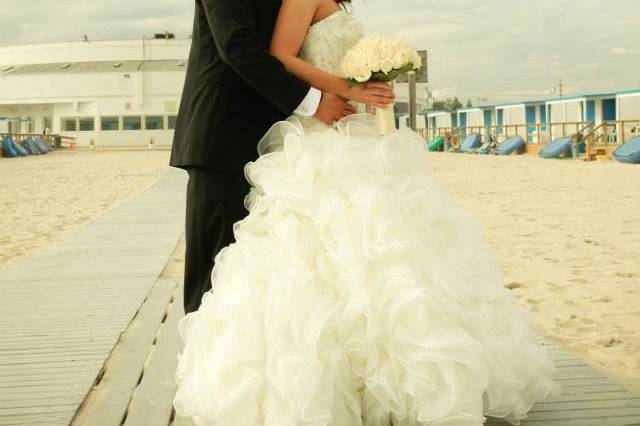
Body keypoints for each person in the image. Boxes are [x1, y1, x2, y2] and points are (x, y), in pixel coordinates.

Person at [173, 0, 561, 424]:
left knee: (290, 266)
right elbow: (238, 47)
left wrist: (359, 86)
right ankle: (203, 386)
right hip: (223, 131)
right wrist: (322, 97)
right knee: (216, 267)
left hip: (280, 132)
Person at [169, 0, 391, 314]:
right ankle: (202, 363)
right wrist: (313, 102)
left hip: (279, 146)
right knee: (213, 282)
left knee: (261, 278)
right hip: (223, 136)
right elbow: (236, 46)